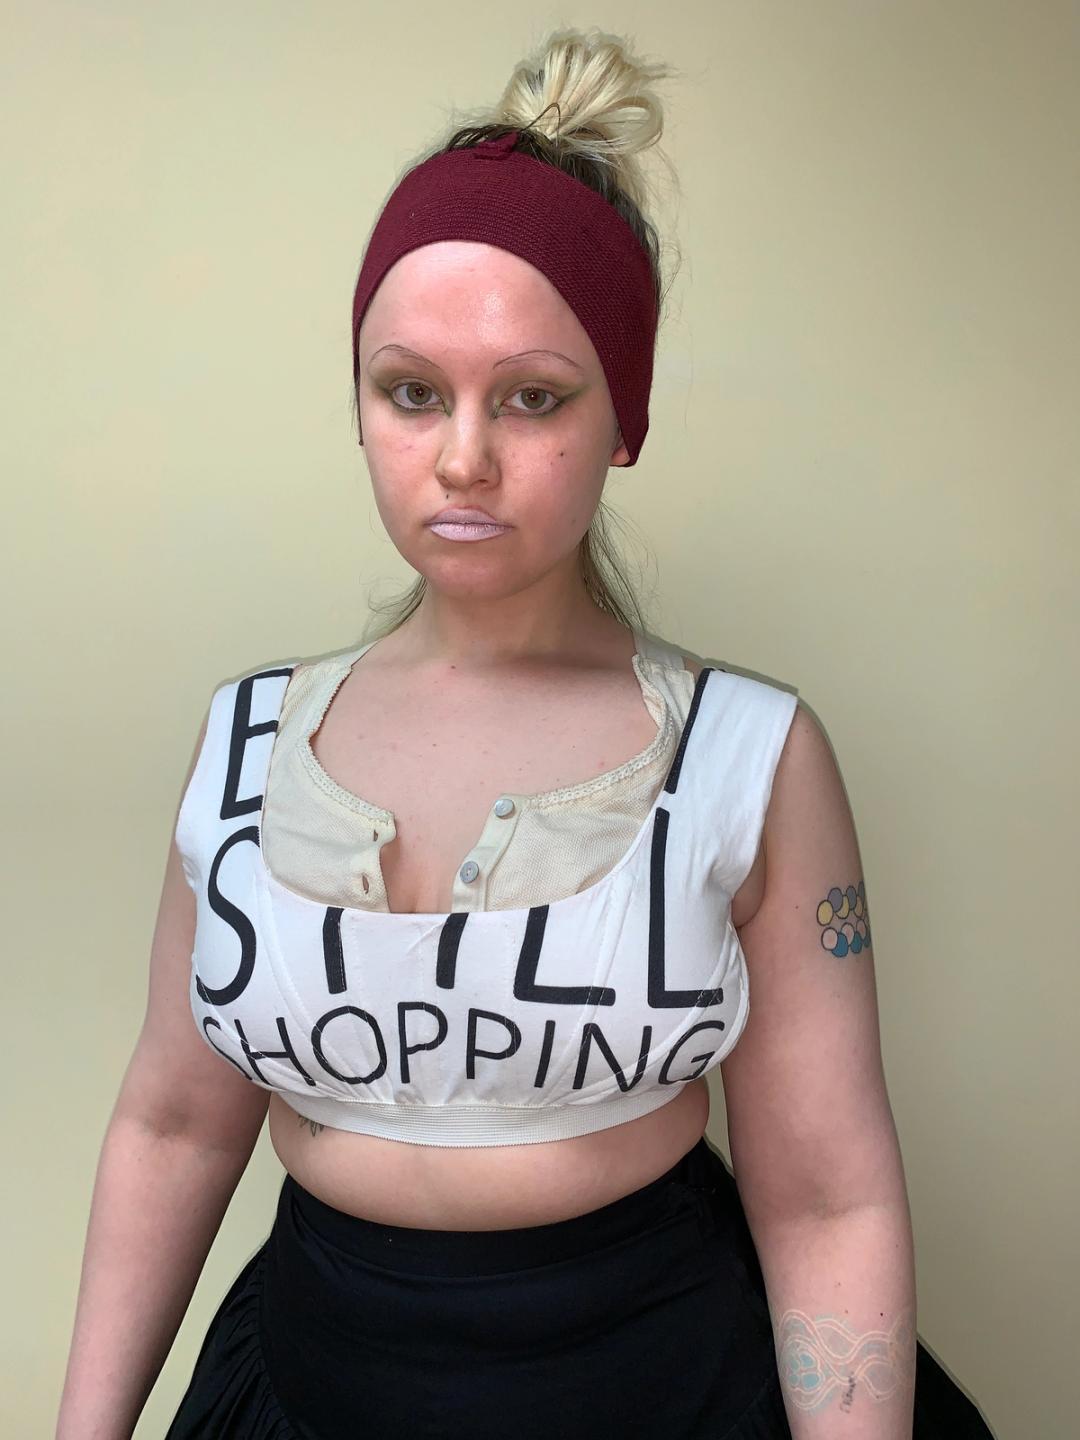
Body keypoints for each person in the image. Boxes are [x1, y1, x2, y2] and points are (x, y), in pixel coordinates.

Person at [56, 28, 996, 1440]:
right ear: (359, 402)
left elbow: (825, 1195)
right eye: (411, 391)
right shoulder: (245, 742)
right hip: (314, 1378)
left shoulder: (750, 756)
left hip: (663, 1382)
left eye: (533, 397)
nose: (463, 457)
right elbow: (175, 1122)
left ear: (623, 416)